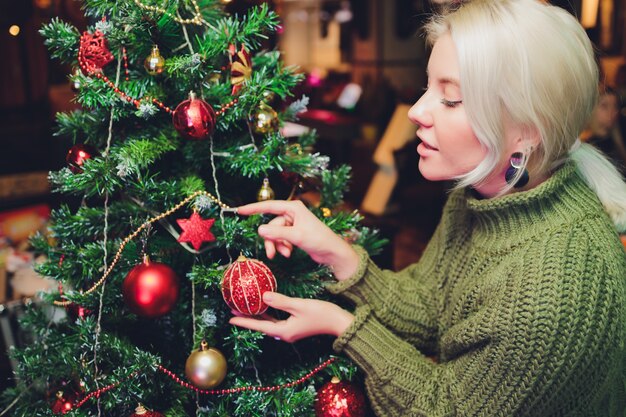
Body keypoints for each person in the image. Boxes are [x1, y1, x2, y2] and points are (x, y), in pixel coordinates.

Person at [231, 0, 626, 415]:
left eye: (451, 99)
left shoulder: (554, 287)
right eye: (428, 87)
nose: (418, 111)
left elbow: (445, 407)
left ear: (526, 132)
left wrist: (343, 325)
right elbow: (431, 306)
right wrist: (336, 253)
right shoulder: (479, 195)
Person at [581, 86, 626, 172]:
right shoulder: (578, 143)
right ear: (590, 108)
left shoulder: (614, 140)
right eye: (604, 106)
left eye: (615, 107)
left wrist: (618, 140)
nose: (611, 114)